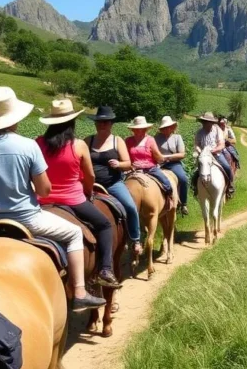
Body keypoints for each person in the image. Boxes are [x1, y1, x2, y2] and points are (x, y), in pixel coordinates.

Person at [0, 87, 105, 312]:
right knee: (74, 234)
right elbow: (44, 191)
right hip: (27, 218)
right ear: (15, 116)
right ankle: (80, 292)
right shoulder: (28, 145)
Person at [35, 100, 120, 290]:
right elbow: (89, 176)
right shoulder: (79, 145)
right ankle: (105, 270)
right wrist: (89, 191)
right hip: (73, 199)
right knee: (105, 225)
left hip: (41, 201)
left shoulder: (38, 142)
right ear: (72, 122)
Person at [85, 106, 143, 257]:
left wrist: (119, 164)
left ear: (111, 124)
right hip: (90, 184)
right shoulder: (88, 141)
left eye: (106, 122)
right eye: (99, 122)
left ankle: (135, 239)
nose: (102, 125)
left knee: (130, 206)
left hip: (113, 184)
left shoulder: (118, 141)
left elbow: (128, 163)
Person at [124, 116, 176, 210]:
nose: (139, 131)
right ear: (133, 130)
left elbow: (157, 156)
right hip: (132, 169)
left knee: (166, 183)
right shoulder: (128, 141)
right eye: (136, 129)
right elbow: (124, 156)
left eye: (141, 129)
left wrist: (162, 158)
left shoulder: (150, 140)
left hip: (149, 168)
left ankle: (169, 200)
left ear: (145, 129)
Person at [194, 111, 234, 198]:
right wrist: (200, 151)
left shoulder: (217, 130)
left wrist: (214, 150)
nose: (207, 124)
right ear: (203, 122)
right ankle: (196, 189)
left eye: (209, 122)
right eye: (205, 122)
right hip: (204, 156)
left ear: (212, 122)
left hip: (216, 155)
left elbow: (221, 144)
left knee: (227, 167)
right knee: (196, 172)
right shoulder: (199, 132)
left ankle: (230, 186)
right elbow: (196, 144)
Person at [156, 115, 189, 216]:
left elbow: (182, 154)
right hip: (159, 164)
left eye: (168, 127)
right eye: (164, 128)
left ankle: (183, 203)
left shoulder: (177, 137)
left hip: (173, 164)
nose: (167, 129)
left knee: (183, 179)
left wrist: (167, 157)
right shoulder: (156, 138)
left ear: (172, 127)